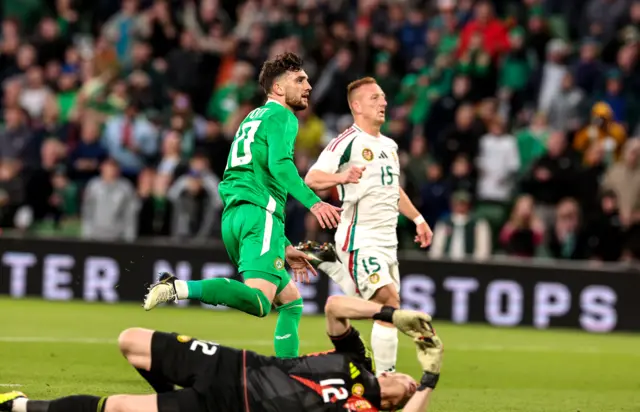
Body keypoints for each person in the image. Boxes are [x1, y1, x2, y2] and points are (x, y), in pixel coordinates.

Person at [142, 52, 342, 359]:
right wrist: (315, 204)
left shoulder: (252, 118)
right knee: (261, 303)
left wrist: (283, 245)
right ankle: (178, 288)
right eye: (299, 80)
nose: (309, 86)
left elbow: (256, 176)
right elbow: (280, 166)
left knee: (291, 302)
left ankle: (287, 374)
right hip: (258, 217)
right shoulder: (283, 116)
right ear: (277, 88)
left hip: (237, 216)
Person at [0, 295, 444, 412]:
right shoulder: (359, 363)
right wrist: (392, 314)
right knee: (129, 340)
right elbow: (334, 309)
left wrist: (429, 380)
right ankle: (171, 387)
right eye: (405, 377)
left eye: (406, 387)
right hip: (231, 364)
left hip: (227, 407)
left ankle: (18, 406)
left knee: (116, 408)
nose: (402, 379)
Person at [301, 77, 434, 375]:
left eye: (384, 97)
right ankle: (385, 381)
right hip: (360, 239)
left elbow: (392, 189)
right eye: (375, 98)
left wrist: (418, 219)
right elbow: (312, 177)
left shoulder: (389, 145)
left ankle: (323, 258)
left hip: (388, 244)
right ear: (357, 106)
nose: (383, 102)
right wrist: (341, 178)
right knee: (388, 302)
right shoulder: (346, 141)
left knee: (384, 313)